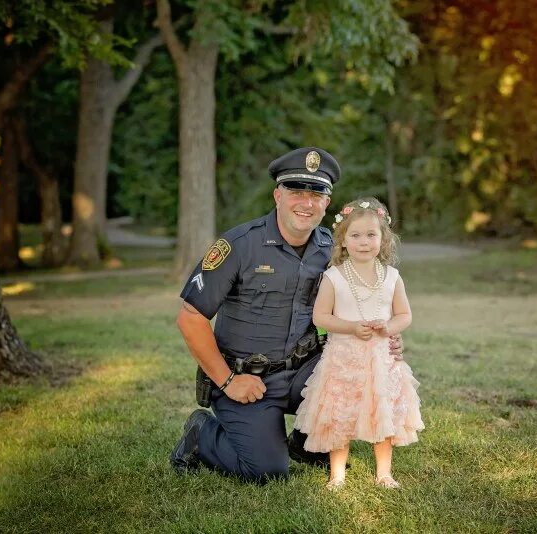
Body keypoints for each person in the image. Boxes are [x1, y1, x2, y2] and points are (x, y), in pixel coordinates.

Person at [170, 148, 403, 483]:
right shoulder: (239, 245)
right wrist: (228, 381)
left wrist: (387, 337)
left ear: (327, 202)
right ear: (278, 195)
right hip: (248, 377)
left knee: (363, 377)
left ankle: (306, 443)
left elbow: (364, 303)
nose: (306, 203)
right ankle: (201, 433)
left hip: (307, 370)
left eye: (316, 194)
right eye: (296, 192)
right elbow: (190, 316)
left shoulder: (332, 250)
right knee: (266, 471)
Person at [294, 197, 424, 490]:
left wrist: (388, 326)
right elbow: (320, 316)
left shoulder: (391, 277)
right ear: (342, 240)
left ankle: (384, 473)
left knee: (382, 412)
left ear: (383, 238)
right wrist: (352, 327)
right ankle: (337, 474)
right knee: (340, 415)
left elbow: (404, 314)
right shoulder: (334, 277)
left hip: (381, 360)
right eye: (355, 235)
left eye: (371, 235)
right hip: (343, 359)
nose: (363, 242)